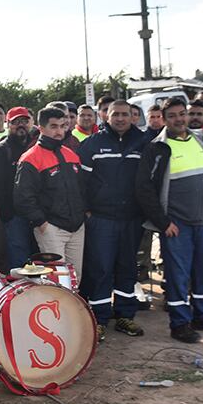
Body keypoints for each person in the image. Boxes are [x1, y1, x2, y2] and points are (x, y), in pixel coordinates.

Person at [136, 97, 203, 344]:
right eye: (173, 115)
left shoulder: (200, 141)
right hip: (178, 226)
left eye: (182, 114)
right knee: (178, 276)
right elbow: (144, 189)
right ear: (165, 120)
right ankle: (180, 323)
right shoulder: (157, 149)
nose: (179, 119)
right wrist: (163, 222)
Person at [79, 99, 150, 337]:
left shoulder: (143, 142)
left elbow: (150, 181)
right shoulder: (92, 144)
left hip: (132, 219)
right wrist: (87, 211)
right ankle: (99, 318)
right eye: (115, 114)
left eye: (125, 114)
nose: (120, 118)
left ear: (133, 117)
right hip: (101, 219)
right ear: (105, 117)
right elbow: (81, 183)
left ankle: (125, 316)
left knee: (127, 268)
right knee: (100, 269)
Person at [13, 106, 86, 272]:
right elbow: (22, 197)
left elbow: (82, 189)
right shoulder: (30, 158)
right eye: (54, 126)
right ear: (42, 127)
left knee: (76, 278)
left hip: (77, 227)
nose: (59, 131)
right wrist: (41, 223)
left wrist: (84, 213)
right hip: (51, 228)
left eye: (62, 126)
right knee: (57, 280)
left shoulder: (71, 154)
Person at [0, 107, 38, 269]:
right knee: (19, 261)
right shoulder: (1, 150)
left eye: (24, 121)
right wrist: (7, 215)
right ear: (8, 124)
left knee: (38, 259)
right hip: (14, 217)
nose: (21, 125)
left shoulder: (36, 147)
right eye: (16, 122)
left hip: (37, 215)